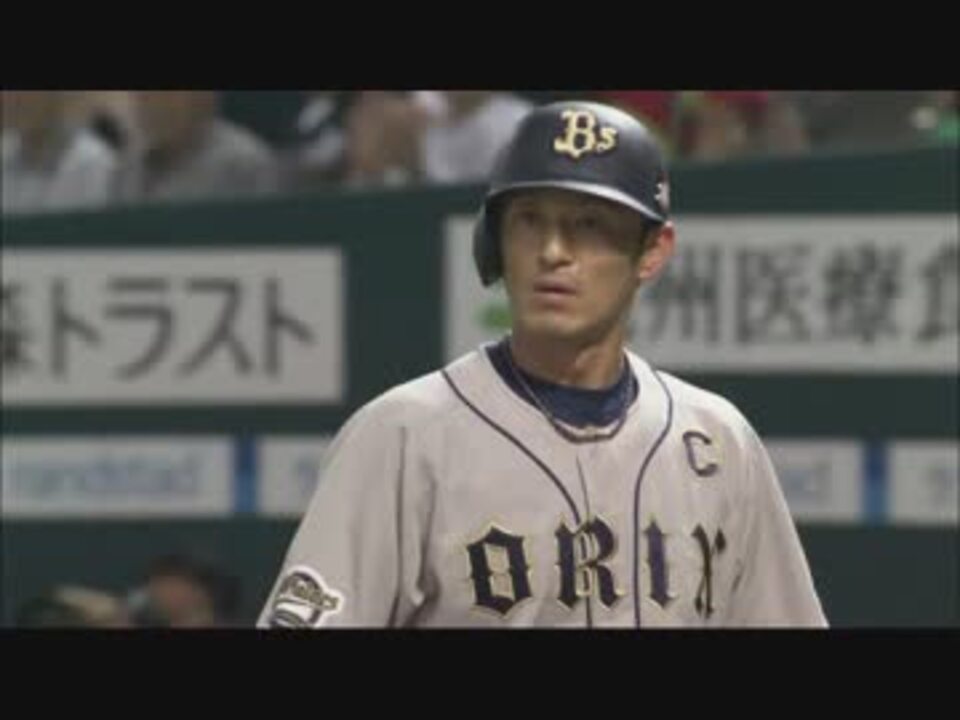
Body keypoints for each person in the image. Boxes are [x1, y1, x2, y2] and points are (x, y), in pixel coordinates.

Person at [258, 101, 826, 628]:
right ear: (496, 241)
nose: (554, 251)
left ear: (652, 251)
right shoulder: (403, 436)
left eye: (590, 224)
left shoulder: (718, 442)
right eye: (530, 220)